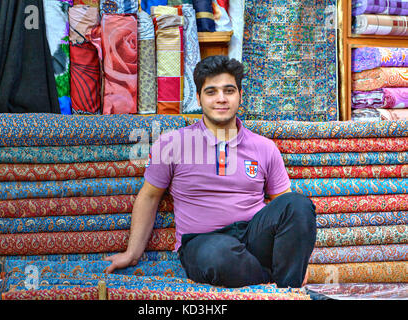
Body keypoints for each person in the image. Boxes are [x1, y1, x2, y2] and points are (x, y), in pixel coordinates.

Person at [105, 55, 317, 288]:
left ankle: (286, 288)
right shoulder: (172, 144)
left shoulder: (264, 147)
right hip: (203, 244)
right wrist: (132, 254)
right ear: (198, 98)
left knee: (298, 204)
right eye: (211, 92)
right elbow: (149, 196)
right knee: (218, 255)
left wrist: (300, 261)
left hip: (253, 237)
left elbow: (287, 209)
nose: (221, 99)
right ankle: (281, 285)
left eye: (229, 90)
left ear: (240, 96)